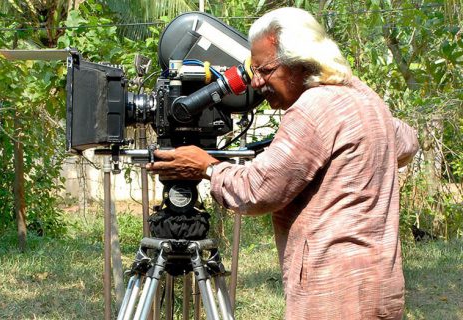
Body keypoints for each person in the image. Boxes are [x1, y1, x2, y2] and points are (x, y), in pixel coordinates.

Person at [147, 7, 419, 320]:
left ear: (299, 63)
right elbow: (406, 142)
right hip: (380, 286)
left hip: (333, 294)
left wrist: (207, 167)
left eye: (265, 70)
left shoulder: (313, 107)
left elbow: (256, 192)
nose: (256, 82)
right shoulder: (362, 96)